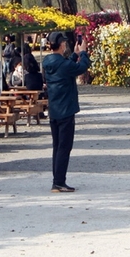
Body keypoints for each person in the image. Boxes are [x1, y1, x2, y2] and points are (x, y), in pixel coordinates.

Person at [42, 30, 91, 193]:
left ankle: (57, 180)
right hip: (66, 110)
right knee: (65, 146)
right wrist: (83, 53)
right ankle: (59, 181)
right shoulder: (63, 64)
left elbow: (64, 68)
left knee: (57, 146)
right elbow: (81, 68)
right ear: (62, 44)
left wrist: (74, 56)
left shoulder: (47, 62)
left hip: (54, 110)